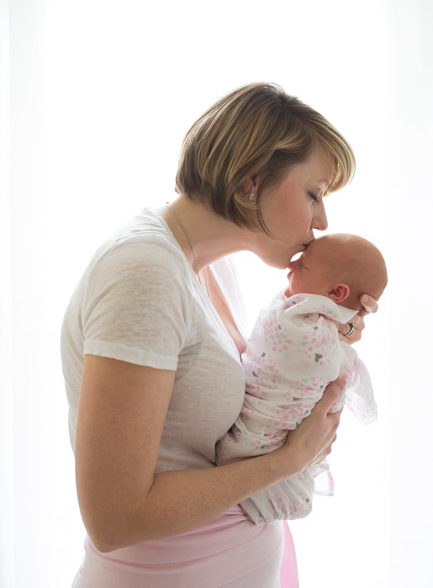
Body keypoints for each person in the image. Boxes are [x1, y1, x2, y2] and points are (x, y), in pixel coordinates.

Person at [60, 82, 378, 588]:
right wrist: (289, 461)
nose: (322, 220)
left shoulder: (208, 267)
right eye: (314, 193)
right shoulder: (144, 273)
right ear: (252, 180)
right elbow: (113, 520)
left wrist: (324, 339)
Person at [217, 233, 387, 524]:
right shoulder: (309, 333)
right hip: (256, 458)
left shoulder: (318, 336)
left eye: (303, 264)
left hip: (249, 457)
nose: (290, 267)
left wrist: (340, 330)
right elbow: (353, 376)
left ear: (337, 294)